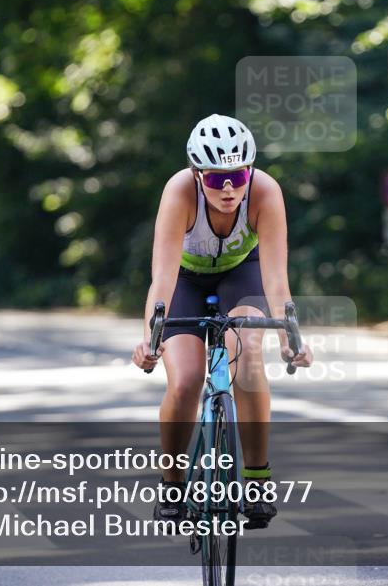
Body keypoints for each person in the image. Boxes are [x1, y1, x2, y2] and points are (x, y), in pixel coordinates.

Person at [131, 113, 313, 530]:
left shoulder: (265, 192)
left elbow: (275, 278)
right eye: (215, 179)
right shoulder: (179, 192)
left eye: (238, 174)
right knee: (186, 380)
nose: (229, 188)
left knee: (249, 356)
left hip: (240, 274)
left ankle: (257, 480)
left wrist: (290, 336)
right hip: (184, 281)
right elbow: (161, 278)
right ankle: (173, 487)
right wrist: (150, 341)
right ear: (197, 175)